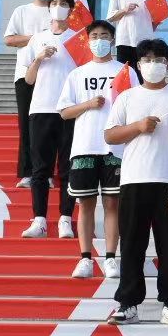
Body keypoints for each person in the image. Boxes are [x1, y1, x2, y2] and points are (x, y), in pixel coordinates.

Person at [103, 38, 168, 326]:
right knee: (132, 244)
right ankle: (128, 303)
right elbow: (110, 135)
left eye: (159, 59)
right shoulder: (127, 98)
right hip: (134, 180)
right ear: (139, 65)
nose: (154, 65)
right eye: (148, 59)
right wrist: (139, 127)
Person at [57, 18, 125, 278]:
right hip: (85, 146)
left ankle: (110, 258)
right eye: (94, 36)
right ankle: (85, 258)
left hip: (115, 147)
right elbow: (64, 111)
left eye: (104, 35)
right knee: (85, 204)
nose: (99, 40)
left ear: (113, 40)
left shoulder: (125, 71)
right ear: (87, 41)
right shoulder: (77, 74)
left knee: (112, 203)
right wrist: (88, 104)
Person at [23, 0, 80, 240]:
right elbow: (28, 79)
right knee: (40, 169)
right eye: (54, 3)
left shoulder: (79, 38)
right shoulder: (37, 38)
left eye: (63, 3)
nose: (58, 7)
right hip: (41, 108)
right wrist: (38, 59)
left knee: (67, 167)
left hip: (69, 110)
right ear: (49, 8)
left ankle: (65, 219)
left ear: (71, 9)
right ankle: (40, 220)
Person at [1, 0, 55, 190]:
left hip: (52, 75)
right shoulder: (22, 11)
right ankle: (27, 172)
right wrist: (36, 38)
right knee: (26, 124)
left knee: (48, 126)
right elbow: (9, 39)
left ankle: (46, 173)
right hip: (25, 74)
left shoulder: (58, 11)